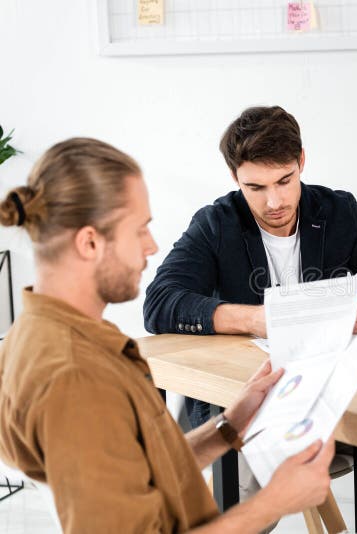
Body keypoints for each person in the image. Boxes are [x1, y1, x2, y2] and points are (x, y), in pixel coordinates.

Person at [0, 138, 335, 533]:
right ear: (89, 242)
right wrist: (274, 502)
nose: (152, 246)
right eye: (140, 230)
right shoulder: (76, 377)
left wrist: (227, 426)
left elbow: (137, 470)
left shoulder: (42, 334)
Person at [143, 106, 357, 531]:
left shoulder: (338, 211)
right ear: (234, 179)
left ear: (301, 164)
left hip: (338, 398)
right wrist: (254, 319)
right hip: (250, 405)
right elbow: (160, 303)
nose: (273, 201)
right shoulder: (216, 223)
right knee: (244, 482)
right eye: (254, 187)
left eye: (284, 181)